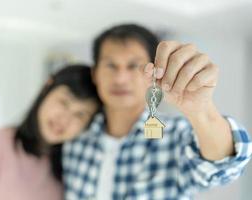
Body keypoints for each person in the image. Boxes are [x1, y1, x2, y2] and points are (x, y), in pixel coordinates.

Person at [62, 24, 252, 199]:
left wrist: (201, 111)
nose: (120, 78)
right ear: (95, 74)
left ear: (152, 71)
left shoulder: (176, 135)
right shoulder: (74, 137)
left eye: (133, 65)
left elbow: (223, 167)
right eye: (111, 65)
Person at [0, 64, 101, 200]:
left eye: (81, 114)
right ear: (46, 87)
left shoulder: (73, 165)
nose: (65, 119)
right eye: (64, 102)